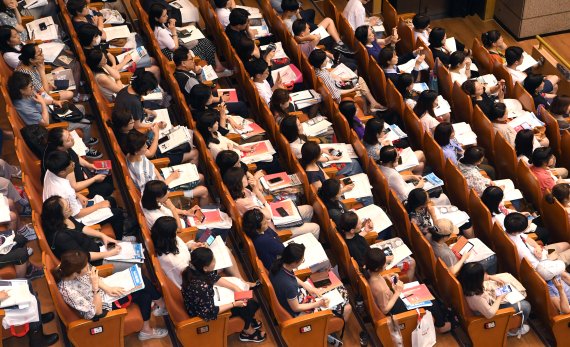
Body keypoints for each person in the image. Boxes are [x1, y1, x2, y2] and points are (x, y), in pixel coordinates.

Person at [54, 250, 169, 341]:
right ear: (75, 273)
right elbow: (95, 313)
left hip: (105, 291)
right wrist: (95, 288)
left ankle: (148, 326)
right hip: (103, 306)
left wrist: (108, 288)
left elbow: (94, 277)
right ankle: (159, 311)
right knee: (143, 290)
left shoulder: (69, 267)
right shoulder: (69, 291)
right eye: (85, 267)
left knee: (141, 284)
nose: (88, 268)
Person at [182, 247, 266, 343]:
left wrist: (235, 288)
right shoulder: (200, 287)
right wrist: (234, 304)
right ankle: (247, 331)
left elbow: (214, 277)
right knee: (250, 305)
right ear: (205, 268)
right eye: (212, 260)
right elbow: (210, 312)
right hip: (204, 315)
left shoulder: (194, 270)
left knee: (244, 297)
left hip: (205, 302)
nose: (215, 261)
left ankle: (248, 319)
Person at [42, 151, 126, 239]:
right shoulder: (65, 190)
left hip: (61, 209)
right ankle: (120, 238)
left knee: (111, 200)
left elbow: (67, 194)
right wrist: (99, 205)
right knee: (117, 214)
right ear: (62, 172)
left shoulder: (50, 171)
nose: (73, 163)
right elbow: (77, 214)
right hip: (71, 219)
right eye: (70, 164)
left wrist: (77, 195)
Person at [363, 248, 450, 333]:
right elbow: (385, 310)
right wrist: (398, 292)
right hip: (394, 308)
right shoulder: (379, 289)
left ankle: (442, 313)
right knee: (431, 302)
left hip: (393, 297)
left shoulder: (369, 271)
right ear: (377, 268)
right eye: (384, 264)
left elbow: (378, 277)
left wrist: (386, 276)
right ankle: (441, 326)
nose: (385, 266)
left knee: (427, 290)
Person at [8, 71, 98, 151]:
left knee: (81, 108)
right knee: (86, 124)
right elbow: (45, 123)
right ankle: (86, 147)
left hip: (52, 112)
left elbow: (39, 99)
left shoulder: (27, 93)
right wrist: (43, 103)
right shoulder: (23, 107)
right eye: (30, 86)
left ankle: (79, 129)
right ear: (22, 90)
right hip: (52, 124)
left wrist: (54, 101)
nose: (33, 88)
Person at [224, 167, 320, 238]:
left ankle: (300, 231)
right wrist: (264, 203)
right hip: (272, 226)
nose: (246, 177)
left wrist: (255, 188)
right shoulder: (242, 202)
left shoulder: (243, 191)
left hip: (272, 214)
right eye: (243, 177)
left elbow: (257, 198)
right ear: (238, 182)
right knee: (315, 228)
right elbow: (267, 215)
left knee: (309, 209)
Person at [269, 243, 352, 324]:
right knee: (347, 307)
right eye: (302, 260)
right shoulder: (289, 285)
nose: (302, 261)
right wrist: (318, 304)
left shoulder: (279, 264)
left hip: (296, 298)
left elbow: (292, 277)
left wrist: (309, 288)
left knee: (340, 290)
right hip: (299, 312)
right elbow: (296, 308)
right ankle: (332, 326)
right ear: (294, 263)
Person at [152, 215, 241, 287]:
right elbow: (193, 273)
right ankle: (240, 280)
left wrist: (192, 246)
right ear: (170, 235)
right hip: (197, 269)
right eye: (175, 232)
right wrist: (201, 253)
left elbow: (182, 248)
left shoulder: (164, 241)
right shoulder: (173, 261)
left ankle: (239, 279)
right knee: (225, 252)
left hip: (194, 257)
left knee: (210, 235)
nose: (177, 233)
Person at [125, 130, 210, 205]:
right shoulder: (141, 173)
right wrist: (170, 178)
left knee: (200, 177)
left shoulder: (133, 155)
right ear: (136, 151)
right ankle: (190, 199)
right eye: (143, 146)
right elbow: (152, 194)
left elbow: (150, 166)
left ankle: (190, 197)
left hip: (162, 180)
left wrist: (161, 178)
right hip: (163, 192)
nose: (147, 147)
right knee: (204, 190)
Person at [41, 196, 124, 264]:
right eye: (67, 208)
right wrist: (109, 254)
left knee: (123, 247)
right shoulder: (61, 237)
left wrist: (103, 236)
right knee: (133, 259)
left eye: (68, 205)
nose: (70, 208)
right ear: (59, 216)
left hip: (98, 248)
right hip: (96, 261)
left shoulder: (65, 217)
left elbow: (81, 227)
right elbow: (83, 256)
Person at [458, 262, 531, 337]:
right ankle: (512, 330)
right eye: (483, 274)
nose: (485, 274)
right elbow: (490, 314)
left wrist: (490, 277)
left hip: (487, 303)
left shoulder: (466, 284)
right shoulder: (476, 298)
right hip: (487, 316)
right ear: (477, 279)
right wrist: (500, 298)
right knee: (525, 306)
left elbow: (483, 277)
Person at [43, 128, 112, 197]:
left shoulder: (65, 147)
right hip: (81, 187)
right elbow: (74, 187)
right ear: (60, 147)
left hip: (82, 173)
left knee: (107, 174)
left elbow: (76, 157)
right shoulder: (62, 161)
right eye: (68, 140)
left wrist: (89, 165)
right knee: (107, 186)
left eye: (69, 134)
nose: (72, 138)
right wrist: (94, 179)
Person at [309, 49, 383, 111]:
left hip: (337, 84)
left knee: (359, 79)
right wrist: (353, 89)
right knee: (360, 87)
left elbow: (330, 78)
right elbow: (336, 94)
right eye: (325, 59)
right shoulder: (323, 76)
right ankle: (368, 109)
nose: (327, 60)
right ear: (321, 63)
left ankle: (373, 104)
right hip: (339, 97)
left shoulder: (318, 70)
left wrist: (342, 79)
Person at [481, 186, 547, 242]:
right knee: (545, 232)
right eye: (501, 198)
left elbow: (507, 212)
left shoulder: (487, 205)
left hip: (516, 221)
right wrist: (527, 221)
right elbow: (511, 230)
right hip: (519, 228)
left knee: (540, 219)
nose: (502, 199)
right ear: (496, 200)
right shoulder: (496, 219)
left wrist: (519, 214)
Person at [429, 218, 496, 274]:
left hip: (454, 256)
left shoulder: (428, 236)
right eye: (450, 234)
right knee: (493, 258)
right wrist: (464, 258)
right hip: (461, 269)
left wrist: (451, 249)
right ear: (445, 238)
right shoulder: (445, 254)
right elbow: (452, 272)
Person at [505, 212, 570, 267]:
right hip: (546, 263)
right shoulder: (521, 250)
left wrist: (537, 246)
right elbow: (538, 267)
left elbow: (527, 238)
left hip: (541, 252)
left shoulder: (511, 231)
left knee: (566, 245)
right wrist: (550, 259)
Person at [406, 188, 473, 237]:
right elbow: (436, 232)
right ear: (421, 205)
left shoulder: (410, 204)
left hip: (430, 220)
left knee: (461, 215)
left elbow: (430, 204)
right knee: (466, 222)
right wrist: (433, 215)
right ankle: (472, 240)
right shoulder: (417, 220)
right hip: (435, 231)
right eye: (427, 199)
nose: (429, 199)